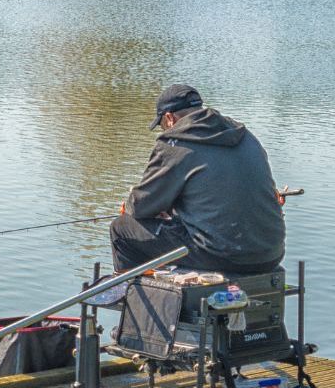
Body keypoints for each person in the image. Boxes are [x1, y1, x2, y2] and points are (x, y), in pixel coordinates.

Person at [109, 84, 285, 274]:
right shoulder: (245, 136)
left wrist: (130, 206)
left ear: (169, 118)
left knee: (122, 229)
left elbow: (140, 206)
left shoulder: (175, 142)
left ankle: (135, 295)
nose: (163, 131)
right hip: (271, 253)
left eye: (161, 126)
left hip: (220, 255)